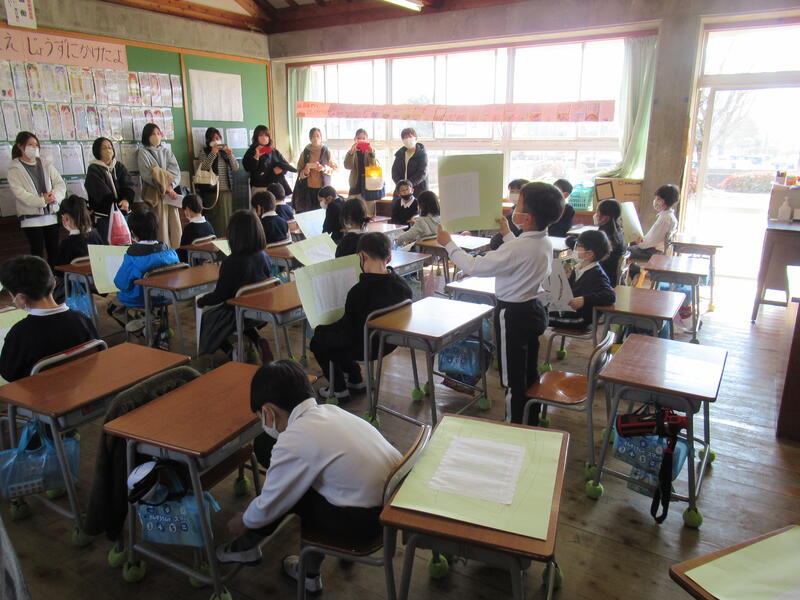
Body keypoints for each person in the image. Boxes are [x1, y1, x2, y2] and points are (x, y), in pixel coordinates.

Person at [216, 360, 401, 594]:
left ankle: (300, 570)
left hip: (364, 522)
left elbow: (272, 499)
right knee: (295, 486)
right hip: (392, 506)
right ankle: (286, 561)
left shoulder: (294, 438)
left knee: (292, 494)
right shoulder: (331, 411)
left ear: (268, 412)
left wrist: (245, 521)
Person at [437, 182, 563, 425]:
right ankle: (530, 420)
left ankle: (513, 426)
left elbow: (474, 266)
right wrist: (507, 234)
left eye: (518, 205)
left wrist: (449, 244)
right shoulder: (544, 241)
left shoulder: (518, 248)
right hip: (533, 309)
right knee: (529, 371)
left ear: (527, 218)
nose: (514, 208)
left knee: (512, 378)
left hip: (512, 314)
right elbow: (519, 252)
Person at [310, 232, 412, 402]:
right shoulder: (402, 285)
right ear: (389, 257)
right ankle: (355, 379)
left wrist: (321, 329)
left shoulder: (359, 292)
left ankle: (338, 389)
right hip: (388, 343)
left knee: (318, 341)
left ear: (362, 256)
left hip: (365, 348)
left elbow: (346, 335)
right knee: (335, 336)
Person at [0, 255, 98, 382]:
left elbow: (8, 373)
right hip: (81, 383)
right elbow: (96, 353)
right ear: (54, 283)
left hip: (39, 392)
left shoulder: (19, 333)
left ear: (20, 298)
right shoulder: (82, 319)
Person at [197, 210, 273, 363]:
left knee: (206, 319)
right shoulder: (264, 256)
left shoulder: (231, 262)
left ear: (233, 235)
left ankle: (231, 351)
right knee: (242, 317)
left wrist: (202, 300)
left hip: (235, 313)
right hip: (261, 311)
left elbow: (220, 296)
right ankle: (258, 341)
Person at [7, 131, 66, 267]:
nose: (34, 148)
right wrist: (42, 201)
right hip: (31, 219)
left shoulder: (45, 164)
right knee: (37, 253)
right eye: (30, 145)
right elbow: (20, 193)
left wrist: (54, 196)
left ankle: (55, 277)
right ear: (20, 146)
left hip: (51, 216)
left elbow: (60, 183)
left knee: (54, 252)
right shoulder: (14, 169)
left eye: (36, 145)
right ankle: (40, 279)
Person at [548, 230, 616, 331]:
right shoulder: (579, 265)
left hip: (579, 319)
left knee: (538, 316)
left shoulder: (596, 273)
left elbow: (610, 295)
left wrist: (584, 300)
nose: (574, 249)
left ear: (589, 254)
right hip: (569, 310)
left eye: (578, 246)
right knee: (538, 308)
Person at [114, 207, 180, 308]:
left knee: (117, 298)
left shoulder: (133, 256)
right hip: (167, 296)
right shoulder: (171, 253)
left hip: (140, 299)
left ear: (133, 233)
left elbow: (121, 283)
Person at [137, 123, 182, 248]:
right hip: (156, 195)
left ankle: (175, 252)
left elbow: (176, 172)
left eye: (158, 133)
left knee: (175, 227)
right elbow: (147, 174)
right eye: (153, 134)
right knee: (161, 227)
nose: (156, 136)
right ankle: (163, 251)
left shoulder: (167, 151)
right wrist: (165, 186)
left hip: (171, 194)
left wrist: (171, 186)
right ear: (147, 136)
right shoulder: (143, 153)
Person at [84, 136, 135, 243]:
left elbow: (128, 185)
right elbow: (101, 193)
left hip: (123, 213)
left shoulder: (119, 166)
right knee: (108, 246)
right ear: (97, 151)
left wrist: (126, 200)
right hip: (105, 216)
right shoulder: (93, 169)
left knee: (125, 244)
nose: (108, 150)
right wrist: (117, 205)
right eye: (104, 148)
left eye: (110, 147)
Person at [196, 127, 240, 235]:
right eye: (213, 139)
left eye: (218, 138)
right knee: (217, 220)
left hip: (227, 191)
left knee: (228, 219)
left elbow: (235, 167)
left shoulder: (224, 152)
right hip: (212, 192)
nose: (216, 141)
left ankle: (228, 239)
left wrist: (230, 154)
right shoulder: (204, 152)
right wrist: (212, 153)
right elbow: (204, 168)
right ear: (208, 141)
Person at [242, 125, 295, 198]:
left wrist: (281, 171)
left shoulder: (273, 151)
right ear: (256, 137)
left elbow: (286, 165)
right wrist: (256, 157)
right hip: (260, 187)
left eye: (266, 135)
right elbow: (248, 168)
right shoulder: (251, 151)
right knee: (261, 204)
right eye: (261, 135)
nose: (264, 138)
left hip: (275, 187)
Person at [629, 184, 680, 259]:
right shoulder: (669, 216)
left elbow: (649, 242)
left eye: (658, 199)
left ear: (665, 201)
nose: (655, 201)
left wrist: (638, 241)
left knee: (623, 252)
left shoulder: (664, 219)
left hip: (653, 252)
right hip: (655, 250)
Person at [294, 127, 337, 214]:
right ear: (310, 138)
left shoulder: (326, 151)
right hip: (308, 189)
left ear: (321, 138)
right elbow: (299, 169)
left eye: (318, 136)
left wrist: (323, 168)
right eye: (313, 136)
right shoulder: (306, 151)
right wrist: (305, 172)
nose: (316, 138)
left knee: (323, 212)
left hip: (323, 188)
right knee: (309, 213)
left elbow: (335, 168)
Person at [55, 195, 103, 267]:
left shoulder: (67, 244)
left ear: (65, 218)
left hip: (73, 274)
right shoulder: (96, 235)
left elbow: (59, 269)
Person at [593, 199, 625, 286]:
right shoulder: (618, 231)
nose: (595, 215)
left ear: (605, 217)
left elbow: (593, 255)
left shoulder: (604, 235)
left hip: (605, 278)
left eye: (597, 212)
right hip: (613, 275)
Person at [489, 179, 529, 250]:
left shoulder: (525, 216)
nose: (514, 194)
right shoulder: (512, 212)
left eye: (518, 191)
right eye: (512, 191)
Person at [390, 127, 428, 195]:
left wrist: (408, 185)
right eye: (405, 137)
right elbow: (394, 172)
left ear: (416, 138)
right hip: (401, 190)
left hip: (418, 191)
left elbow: (422, 173)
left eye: (410, 137)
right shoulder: (399, 154)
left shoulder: (422, 154)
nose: (407, 139)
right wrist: (401, 185)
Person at [177, 195, 215, 262]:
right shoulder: (209, 225)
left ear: (187, 209)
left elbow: (182, 251)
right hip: (208, 261)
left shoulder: (189, 228)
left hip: (193, 263)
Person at [343, 129, 378, 197]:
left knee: (368, 204)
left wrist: (371, 153)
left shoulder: (371, 151)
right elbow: (347, 166)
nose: (361, 140)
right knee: (353, 203)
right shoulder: (351, 152)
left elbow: (374, 167)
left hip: (368, 186)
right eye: (359, 138)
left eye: (363, 138)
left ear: (367, 140)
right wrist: (351, 153)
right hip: (355, 185)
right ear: (355, 139)